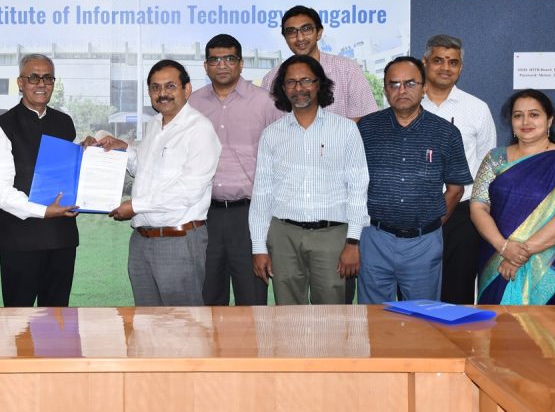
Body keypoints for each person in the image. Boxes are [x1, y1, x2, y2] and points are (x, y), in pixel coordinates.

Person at [92, 60, 221, 306]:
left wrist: (134, 206)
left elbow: (188, 190)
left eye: (170, 86)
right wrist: (123, 149)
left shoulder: (199, 130)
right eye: (155, 87)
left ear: (187, 89)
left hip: (178, 241)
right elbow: (143, 170)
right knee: (146, 321)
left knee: (182, 323)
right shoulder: (154, 124)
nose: (162, 93)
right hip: (141, 241)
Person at [248, 55, 369, 305]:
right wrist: (258, 247)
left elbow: (358, 188)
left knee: (331, 314)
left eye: (306, 80)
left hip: (332, 235)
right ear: (283, 88)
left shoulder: (346, 129)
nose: (298, 88)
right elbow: (262, 193)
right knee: (288, 314)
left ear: (319, 84)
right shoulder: (271, 134)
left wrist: (353, 242)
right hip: (283, 235)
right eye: (291, 82)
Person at [356, 56, 472, 303]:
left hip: (423, 242)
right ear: (385, 89)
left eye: (410, 83)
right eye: (394, 84)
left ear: (424, 87)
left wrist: (431, 224)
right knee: (374, 317)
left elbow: (456, 189)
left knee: (422, 317)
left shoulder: (446, 133)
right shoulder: (366, 129)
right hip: (375, 238)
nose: (402, 90)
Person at [471, 90, 555, 305]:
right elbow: (478, 206)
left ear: (549, 120)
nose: (525, 121)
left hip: (546, 261)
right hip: (496, 257)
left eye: (534, 114)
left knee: (546, 325)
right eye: (518, 115)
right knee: (496, 323)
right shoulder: (495, 158)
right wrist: (504, 247)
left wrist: (520, 254)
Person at [0, 54, 79, 307]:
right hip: (20, 241)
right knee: (18, 320)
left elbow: (71, 172)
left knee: (57, 319)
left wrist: (89, 153)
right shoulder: (2, 126)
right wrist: (44, 211)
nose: (41, 83)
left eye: (48, 78)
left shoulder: (64, 122)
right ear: (20, 82)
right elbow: (0, 192)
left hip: (62, 238)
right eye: (33, 77)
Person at [189, 34, 273, 305]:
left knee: (252, 299)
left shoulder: (265, 102)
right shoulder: (192, 104)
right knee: (208, 299)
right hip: (204, 215)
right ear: (205, 66)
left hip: (250, 215)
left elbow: (283, 154)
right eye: (215, 60)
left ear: (241, 63)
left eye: (229, 59)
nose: (222, 65)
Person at [420, 35, 496, 304]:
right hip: (416, 212)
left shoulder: (477, 108)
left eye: (453, 62)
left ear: (461, 67)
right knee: (416, 291)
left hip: (463, 214)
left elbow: (487, 165)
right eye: (438, 60)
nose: (445, 68)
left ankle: (455, 333)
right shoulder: (406, 104)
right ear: (425, 62)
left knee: (458, 290)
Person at [260, 5, 378, 124]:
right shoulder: (271, 79)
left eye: (306, 29)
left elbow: (366, 117)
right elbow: (265, 124)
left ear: (319, 33)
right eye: (291, 32)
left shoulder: (347, 68)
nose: (300, 38)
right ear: (285, 38)